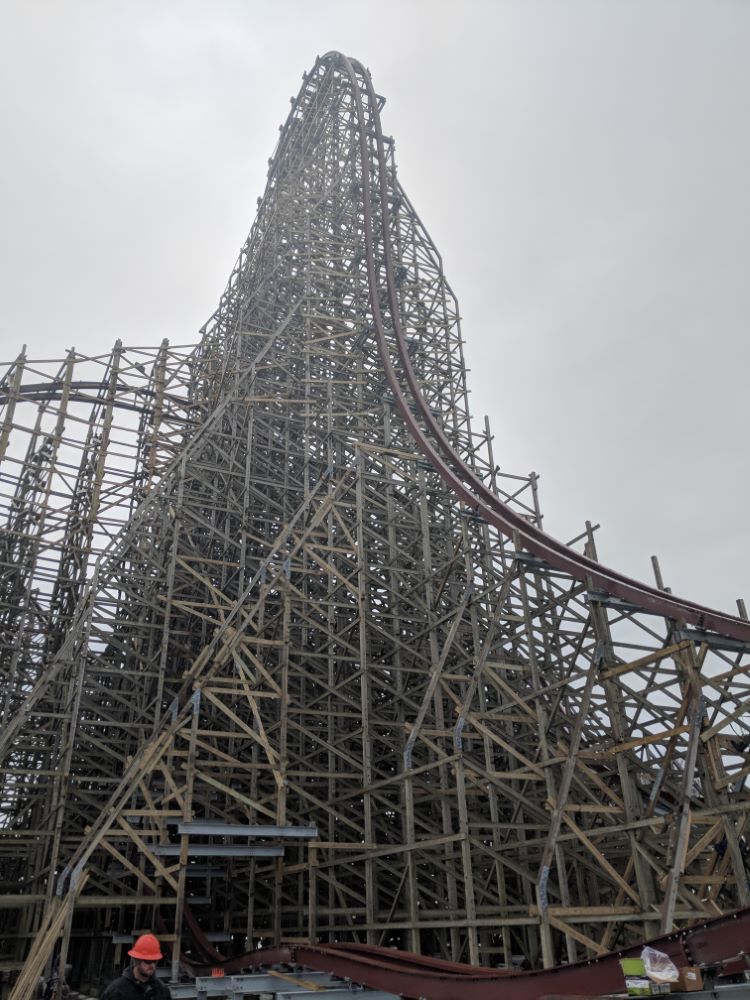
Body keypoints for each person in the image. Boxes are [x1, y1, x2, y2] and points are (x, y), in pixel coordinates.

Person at [101, 934, 172, 1000]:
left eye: (155, 961)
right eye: (148, 961)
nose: (152, 965)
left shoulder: (162, 991)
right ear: (137, 960)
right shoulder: (117, 991)